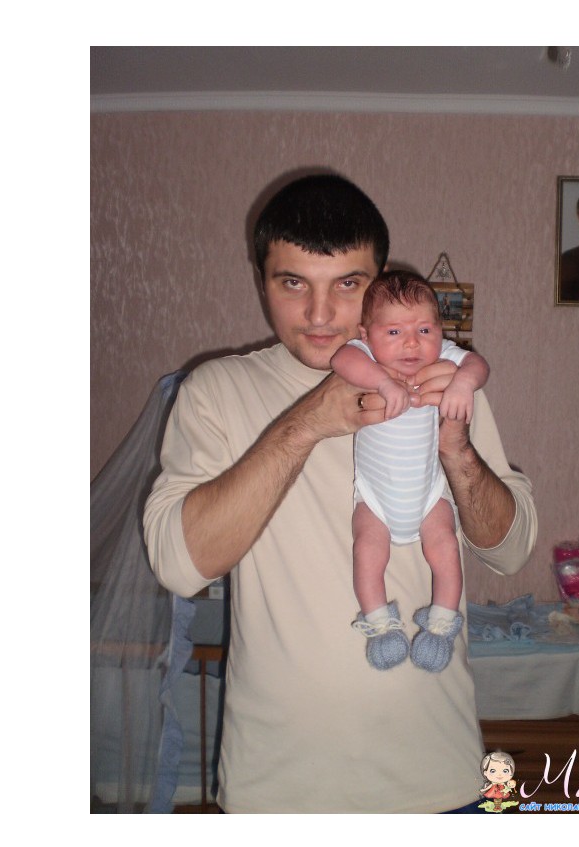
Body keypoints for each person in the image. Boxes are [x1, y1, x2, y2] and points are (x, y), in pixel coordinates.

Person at [143, 172, 537, 813]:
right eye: (293, 283)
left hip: (440, 779)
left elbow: (510, 551)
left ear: (380, 284)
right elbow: (178, 565)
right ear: (261, 281)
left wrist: (457, 449)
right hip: (277, 791)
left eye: (348, 285)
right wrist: (309, 422)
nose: (321, 315)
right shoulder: (214, 391)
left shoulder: (441, 377)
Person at [330, 272, 490, 673]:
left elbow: (478, 364)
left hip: (429, 494)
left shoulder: (441, 360)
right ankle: (380, 626)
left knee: (446, 548)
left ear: (440, 332)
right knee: (367, 551)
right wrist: (384, 383)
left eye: (424, 329)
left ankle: (441, 626)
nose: (412, 342)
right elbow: (341, 360)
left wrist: (463, 384)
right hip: (376, 499)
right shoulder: (365, 357)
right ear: (366, 335)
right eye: (394, 331)